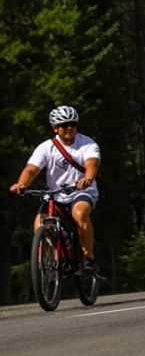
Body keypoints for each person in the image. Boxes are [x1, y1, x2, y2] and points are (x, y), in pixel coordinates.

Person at [10, 106, 101, 272]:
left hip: (80, 191)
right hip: (54, 195)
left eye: (73, 124)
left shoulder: (87, 143)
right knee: (39, 225)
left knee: (79, 214)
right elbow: (31, 169)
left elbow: (92, 164)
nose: (69, 128)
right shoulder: (46, 147)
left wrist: (87, 179)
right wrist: (21, 184)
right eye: (64, 125)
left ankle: (88, 258)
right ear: (55, 128)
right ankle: (52, 259)